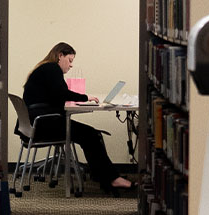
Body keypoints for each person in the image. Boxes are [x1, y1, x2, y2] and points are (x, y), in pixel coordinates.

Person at [20, 42, 134, 194]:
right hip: (45, 124)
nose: (71, 65)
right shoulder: (52, 68)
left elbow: (57, 94)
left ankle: (104, 175)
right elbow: (62, 93)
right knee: (91, 135)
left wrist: (79, 98)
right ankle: (111, 178)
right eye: (70, 60)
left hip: (39, 122)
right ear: (60, 56)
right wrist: (86, 97)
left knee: (91, 134)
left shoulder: (44, 68)